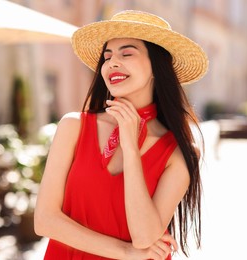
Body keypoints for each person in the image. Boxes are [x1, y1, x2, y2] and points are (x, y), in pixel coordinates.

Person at [34, 10, 208, 260]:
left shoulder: (180, 150)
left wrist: (130, 147)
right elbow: (44, 221)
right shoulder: (73, 127)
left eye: (127, 53)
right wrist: (124, 251)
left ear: (157, 68)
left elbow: (145, 237)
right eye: (107, 57)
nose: (112, 62)